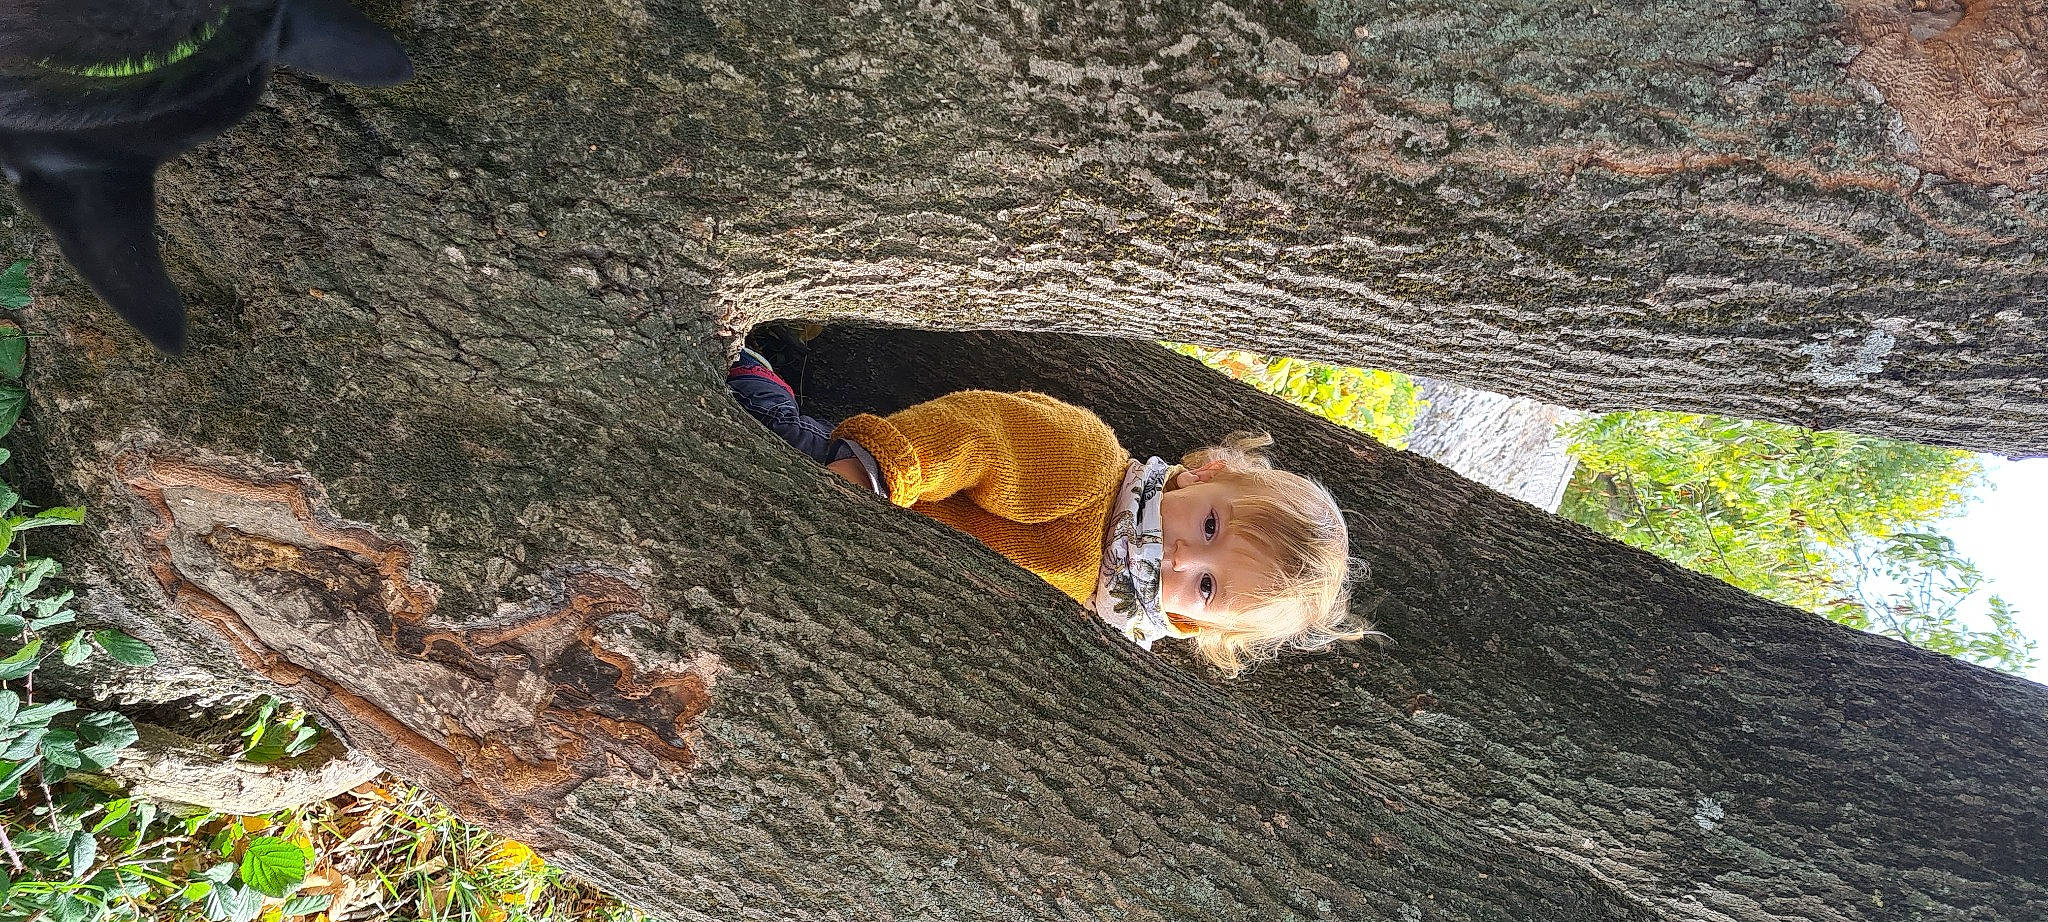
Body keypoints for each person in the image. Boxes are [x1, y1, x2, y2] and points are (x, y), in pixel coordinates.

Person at [728, 347, 1367, 674]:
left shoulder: (1108, 632)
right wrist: (877, 478)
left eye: (1205, 584)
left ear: (1191, 624)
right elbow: (977, 435)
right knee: (757, 446)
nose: (1181, 556)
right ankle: (755, 377)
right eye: (1209, 527)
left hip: (871, 580)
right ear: (1206, 475)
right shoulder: (1089, 470)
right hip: (863, 492)